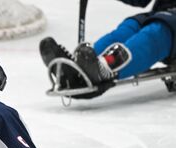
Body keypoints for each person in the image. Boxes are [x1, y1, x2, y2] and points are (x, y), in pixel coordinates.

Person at [40, 0, 176, 97]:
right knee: (130, 27)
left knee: (157, 32)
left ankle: (104, 70)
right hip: (164, 12)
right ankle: (79, 68)